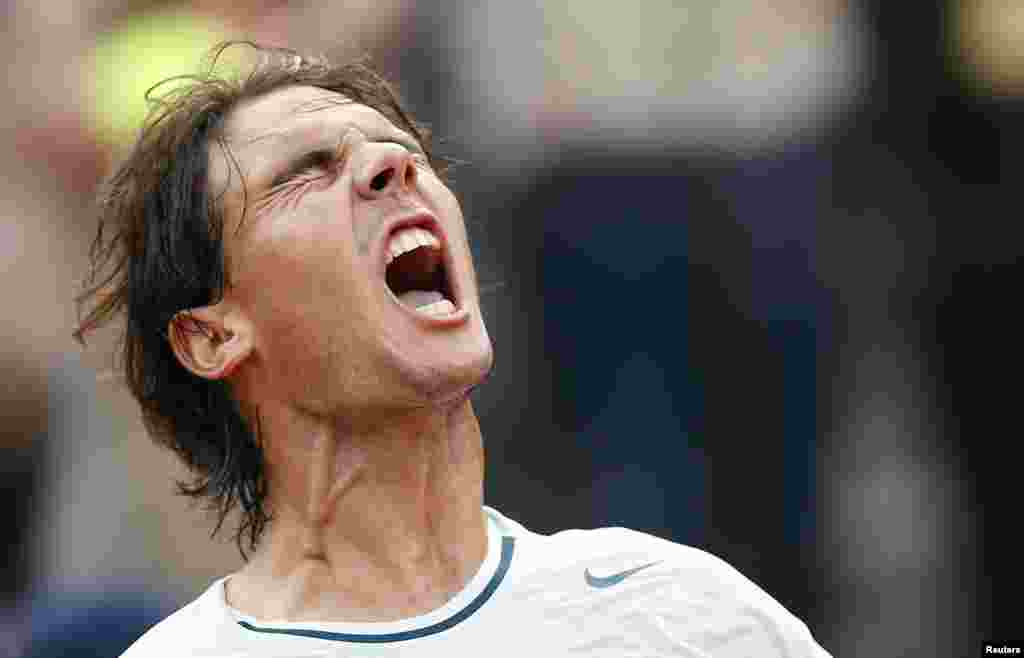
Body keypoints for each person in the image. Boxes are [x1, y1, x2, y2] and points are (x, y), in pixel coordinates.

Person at [74, 41, 832, 657]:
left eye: (403, 152)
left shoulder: (692, 615)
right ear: (210, 335)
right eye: (305, 174)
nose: (393, 167)